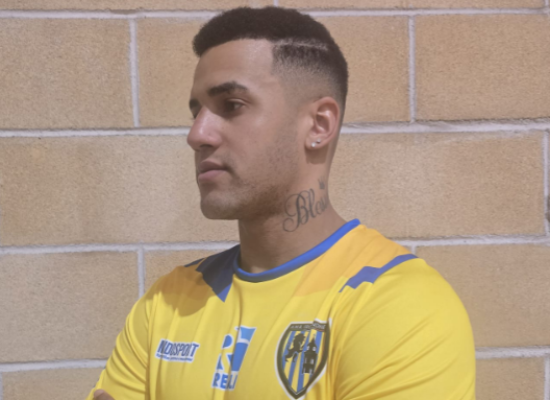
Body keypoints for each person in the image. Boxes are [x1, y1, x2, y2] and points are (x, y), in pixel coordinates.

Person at [88, 6, 475, 400]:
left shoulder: (397, 304)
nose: (197, 134)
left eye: (232, 105)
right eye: (196, 112)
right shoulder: (167, 301)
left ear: (319, 125)